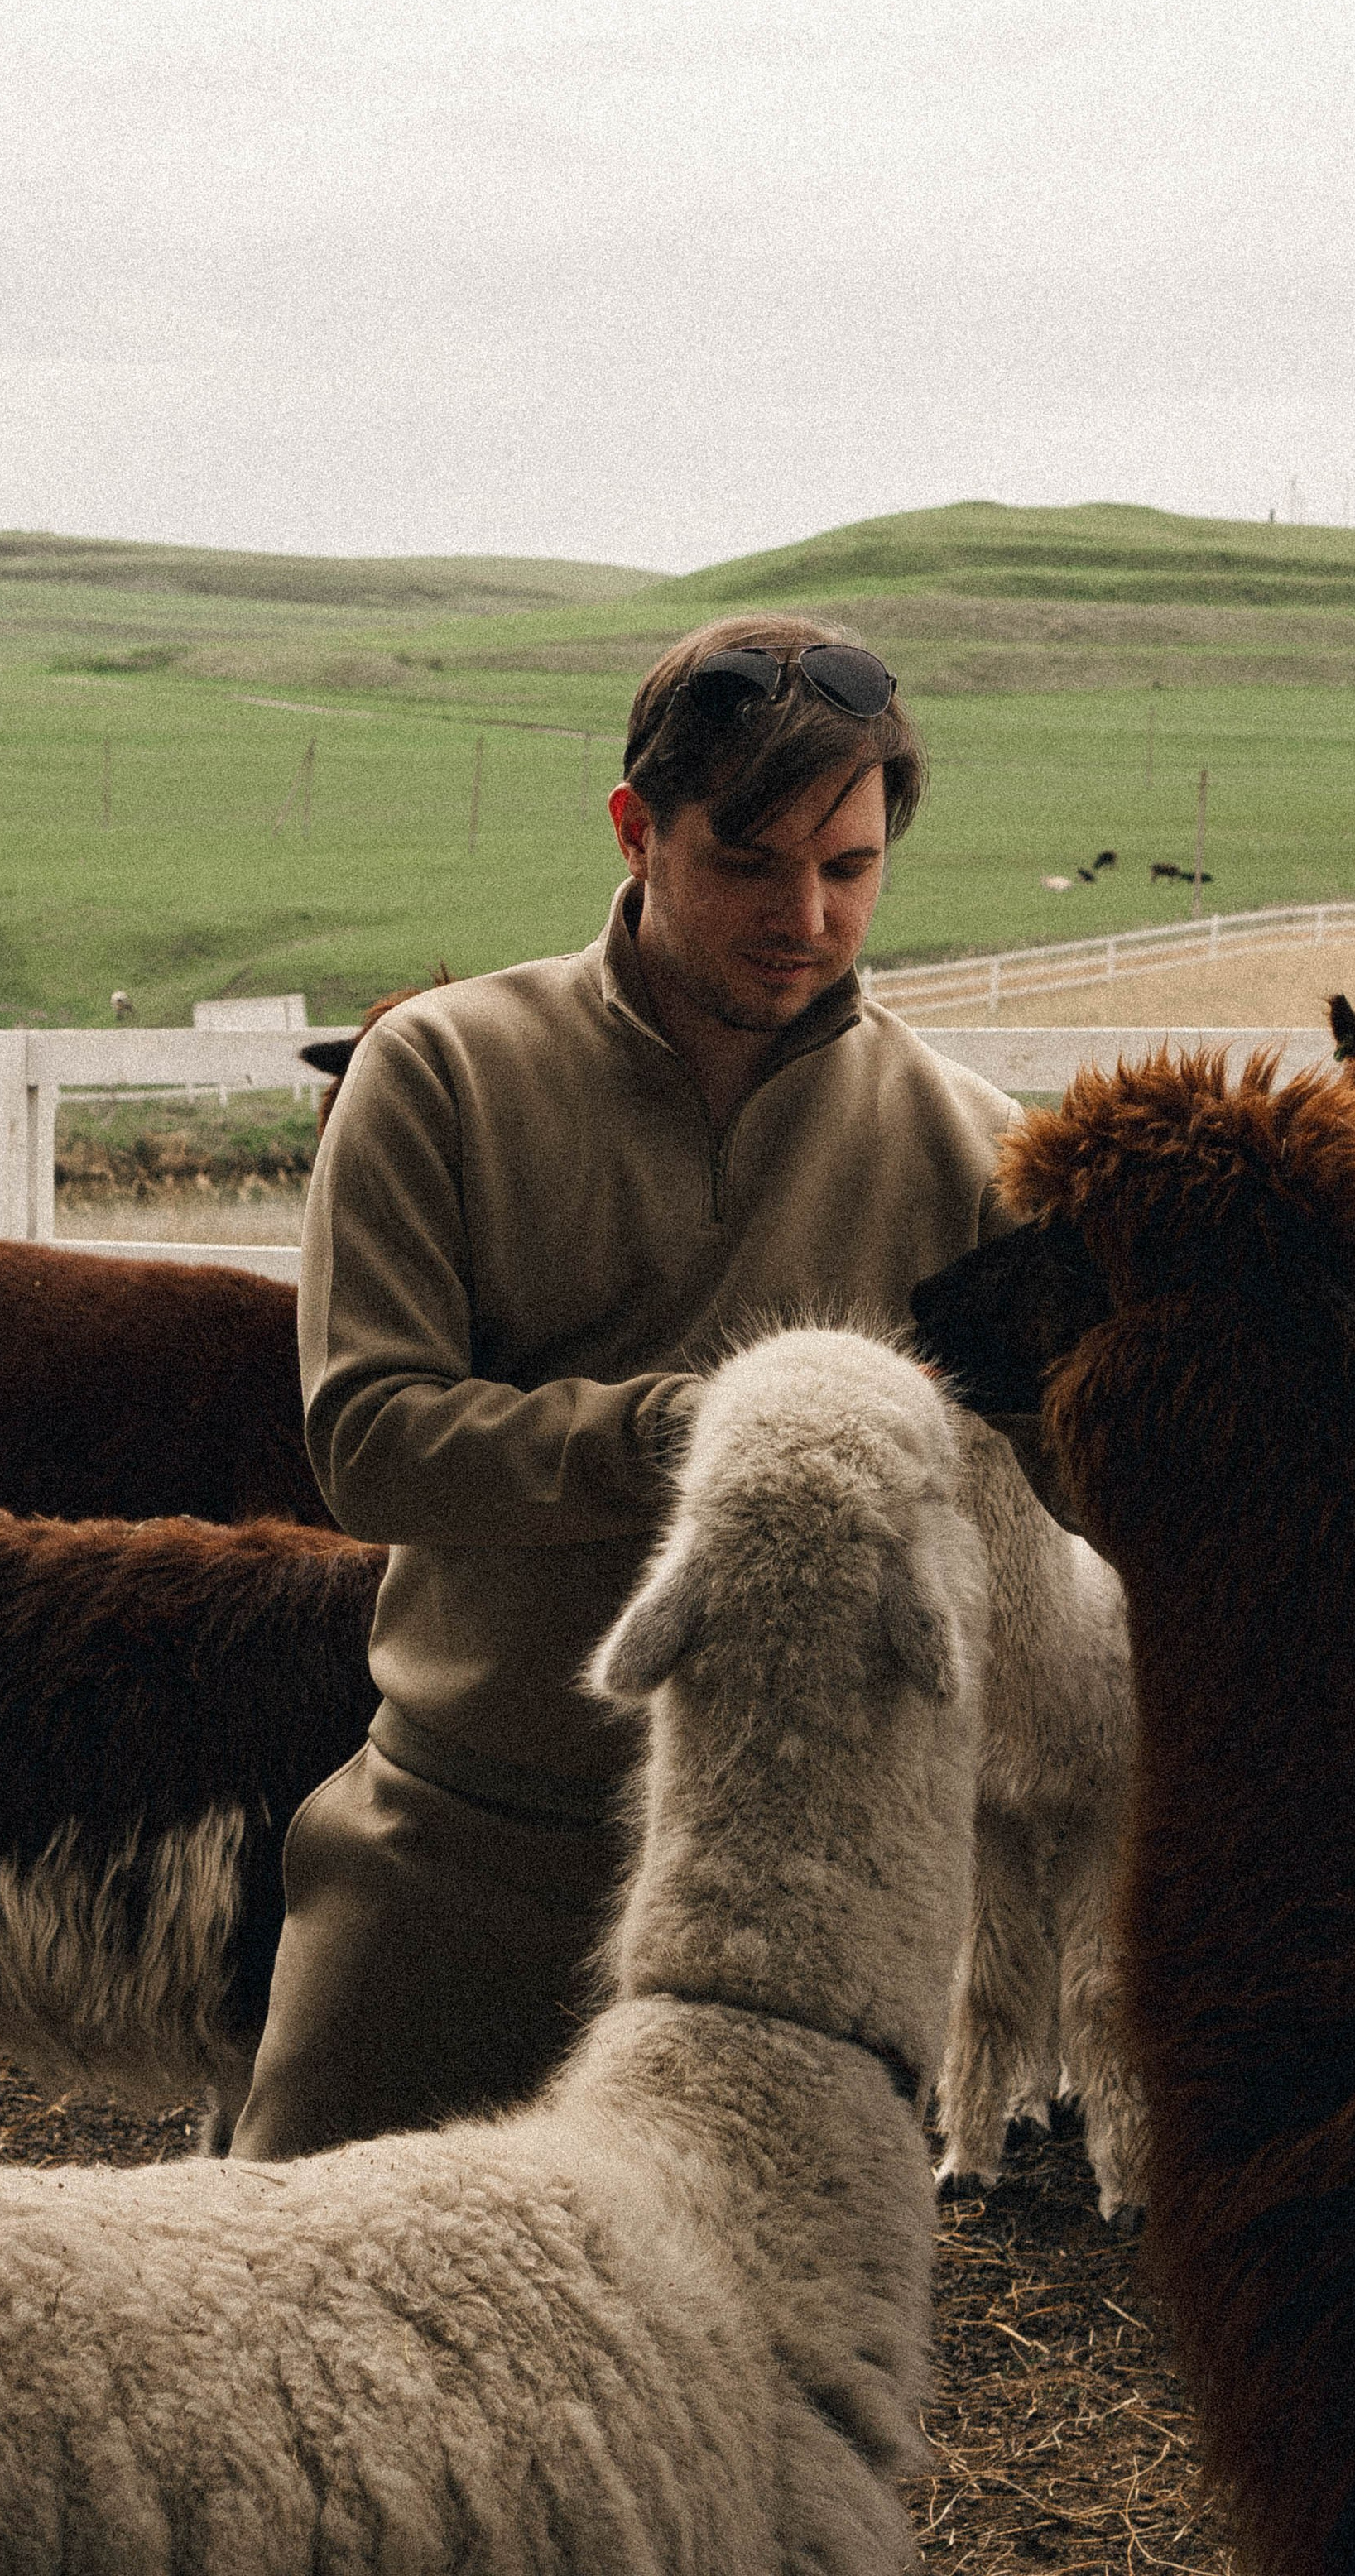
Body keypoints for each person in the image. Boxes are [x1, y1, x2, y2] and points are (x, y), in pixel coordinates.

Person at [229, 611, 1031, 2161]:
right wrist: (717, 1431)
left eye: (849, 866)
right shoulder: (443, 1075)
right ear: (636, 828)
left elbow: (1106, 1473)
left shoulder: (974, 1149)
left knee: (759, 2389)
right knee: (297, 2342)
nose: (804, 912)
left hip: (798, 1914)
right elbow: (372, 1443)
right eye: (747, 860)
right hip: (461, 1856)